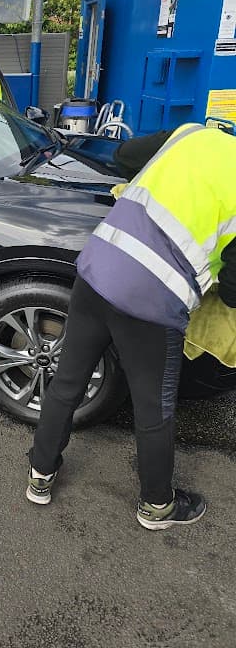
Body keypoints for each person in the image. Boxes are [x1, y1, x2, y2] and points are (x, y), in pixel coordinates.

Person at [26, 122, 236, 530]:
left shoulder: (192, 134)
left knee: (67, 382)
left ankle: (40, 474)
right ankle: (157, 506)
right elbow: (233, 290)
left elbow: (124, 156)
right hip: (151, 301)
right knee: (153, 408)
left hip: (98, 267)